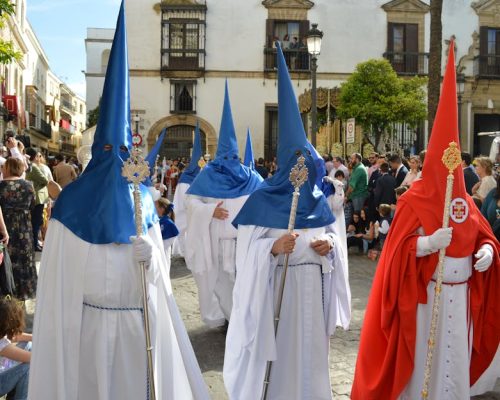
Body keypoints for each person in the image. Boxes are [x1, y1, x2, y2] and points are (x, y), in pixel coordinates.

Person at [27, 4, 210, 399]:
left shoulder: (143, 200)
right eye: (109, 148)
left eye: (123, 148)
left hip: (135, 330)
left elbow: (159, 283)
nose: (117, 157)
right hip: (87, 330)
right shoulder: (72, 205)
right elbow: (58, 286)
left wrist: (154, 258)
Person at [352, 42, 499, 400]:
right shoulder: (414, 200)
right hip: (426, 299)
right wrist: (428, 244)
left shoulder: (465, 200)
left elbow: (485, 236)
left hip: (461, 298)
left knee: (454, 368)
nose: (450, 172)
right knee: (425, 371)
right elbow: (397, 249)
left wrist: (488, 253)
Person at [224, 42, 350, 399]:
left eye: (309, 163)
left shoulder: (318, 202)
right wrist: (271, 248)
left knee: (309, 360)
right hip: (277, 296)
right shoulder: (260, 200)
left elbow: (333, 238)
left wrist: (332, 247)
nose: (304, 170)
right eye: (299, 162)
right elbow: (244, 257)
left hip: (311, 294)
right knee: (281, 366)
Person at [185, 82, 263, 327]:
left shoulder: (251, 176)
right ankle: (225, 317)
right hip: (216, 241)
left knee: (242, 280)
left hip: (244, 242)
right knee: (219, 281)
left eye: (233, 157)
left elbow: (265, 199)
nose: (229, 162)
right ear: (220, 155)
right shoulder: (207, 174)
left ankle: (241, 318)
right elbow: (190, 201)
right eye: (225, 156)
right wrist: (210, 211)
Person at [0, 158, 37, 300]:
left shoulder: (1, 186)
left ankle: (7, 291)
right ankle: (24, 292)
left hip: (5, 229)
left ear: (8, 168)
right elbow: (32, 206)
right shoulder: (29, 186)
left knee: (5, 261)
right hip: (24, 230)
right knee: (24, 261)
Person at [172, 122, 203, 258]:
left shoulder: (192, 177)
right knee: (184, 232)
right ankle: (185, 252)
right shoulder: (187, 180)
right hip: (185, 211)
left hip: (191, 210)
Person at [0, 297, 32, 400]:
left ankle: (13, 395)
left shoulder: (1, 333)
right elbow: (32, 358)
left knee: (27, 344)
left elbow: (17, 337)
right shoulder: (2, 346)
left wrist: (39, 338)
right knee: (28, 367)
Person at [24, 148, 49, 252]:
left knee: (33, 222)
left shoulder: (26, 165)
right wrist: (38, 186)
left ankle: (34, 243)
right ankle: (35, 245)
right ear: (34, 157)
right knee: (36, 222)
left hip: (30, 198)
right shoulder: (33, 167)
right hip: (38, 198)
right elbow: (45, 180)